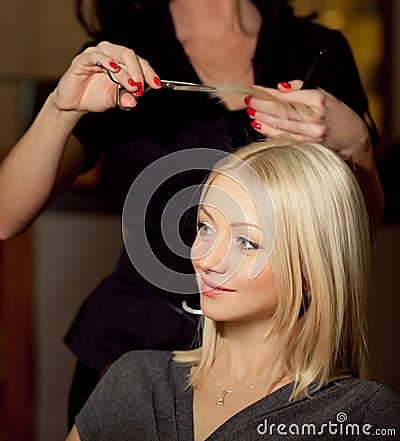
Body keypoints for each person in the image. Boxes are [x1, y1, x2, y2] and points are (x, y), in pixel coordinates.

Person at [0, 0, 384, 426]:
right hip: (130, 346)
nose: (207, 256)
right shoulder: (126, 57)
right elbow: (5, 215)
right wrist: (61, 108)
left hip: (278, 364)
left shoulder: (317, 51)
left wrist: (358, 147)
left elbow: (347, 243)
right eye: (203, 227)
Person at [66, 139, 399, 441]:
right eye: (205, 227)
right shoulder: (133, 381)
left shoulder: (360, 415)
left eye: (246, 242)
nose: (206, 258)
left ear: (311, 268)